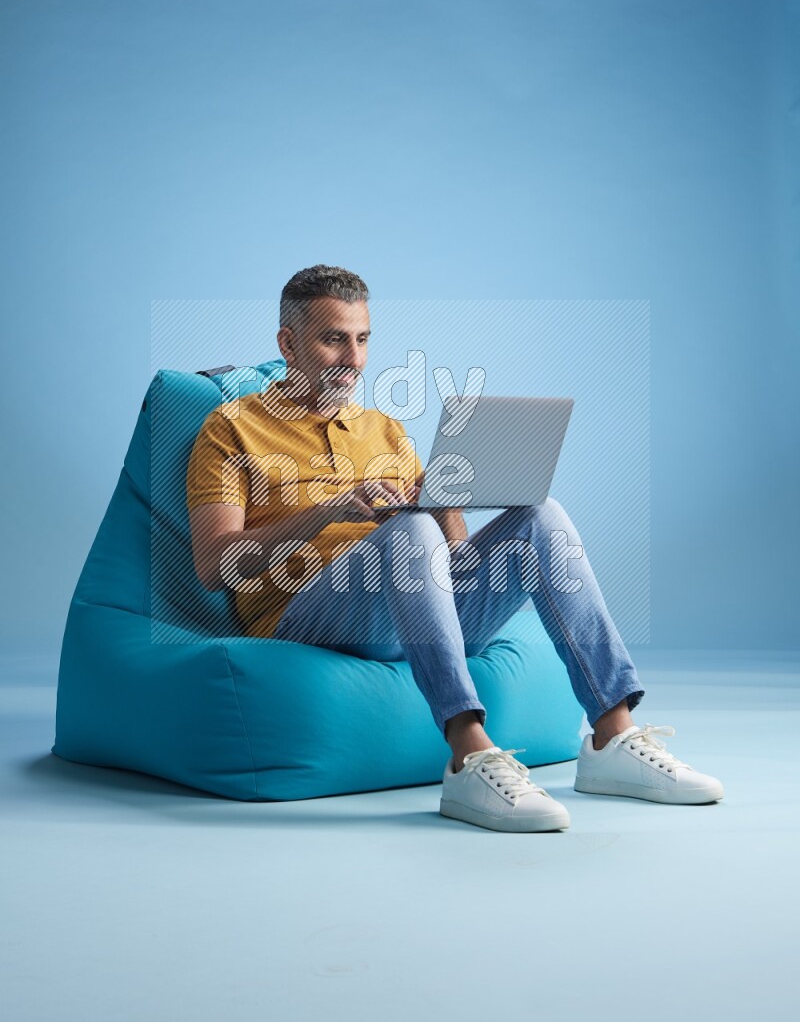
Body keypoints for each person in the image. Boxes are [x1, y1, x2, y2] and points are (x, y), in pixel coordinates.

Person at [186, 264, 723, 832]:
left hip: (414, 606)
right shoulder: (231, 428)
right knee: (410, 534)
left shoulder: (385, 430)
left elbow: (450, 547)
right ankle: (468, 754)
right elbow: (214, 565)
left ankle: (613, 736)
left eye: (363, 339)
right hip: (311, 615)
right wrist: (330, 511)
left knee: (541, 514)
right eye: (333, 339)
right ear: (288, 344)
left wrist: (443, 506)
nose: (353, 359)